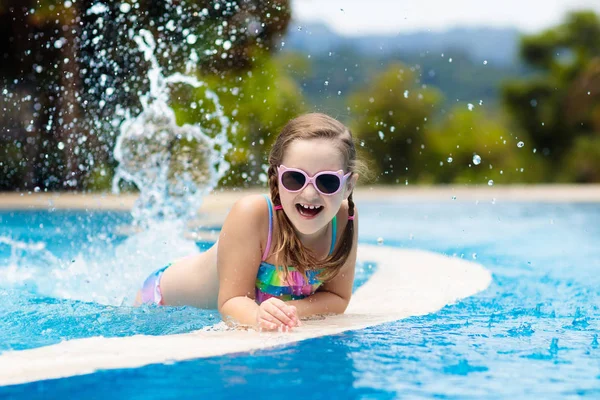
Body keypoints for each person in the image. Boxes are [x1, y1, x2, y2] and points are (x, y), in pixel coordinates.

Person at [134, 113, 361, 332]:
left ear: (348, 186)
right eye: (295, 178)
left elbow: (338, 297)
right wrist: (257, 316)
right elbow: (232, 301)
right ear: (276, 176)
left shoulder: (344, 220)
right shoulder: (253, 214)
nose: (310, 194)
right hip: (159, 304)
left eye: (327, 182)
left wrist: (285, 312)